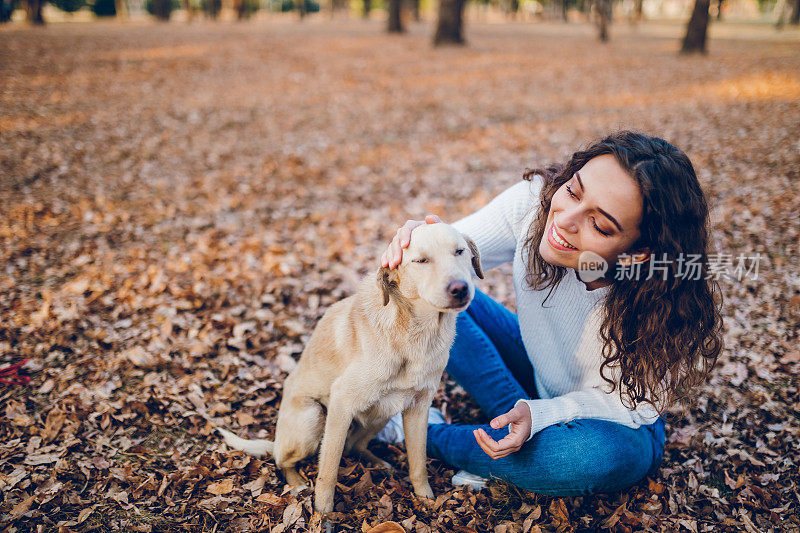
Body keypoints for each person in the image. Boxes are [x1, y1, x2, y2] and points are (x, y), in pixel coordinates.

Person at [375, 131, 724, 496]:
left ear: (641, 252)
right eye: (574, 190)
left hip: (610, 422)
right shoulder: (533, 203)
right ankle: (511, 450)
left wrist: (541, 415)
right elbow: (444, 254)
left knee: (596, 458)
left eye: (601, 225)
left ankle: (422, 434)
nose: (565, 220)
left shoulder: (662, 300)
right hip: (535, 376)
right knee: (430, 296)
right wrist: (414, 240)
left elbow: (633, 407)